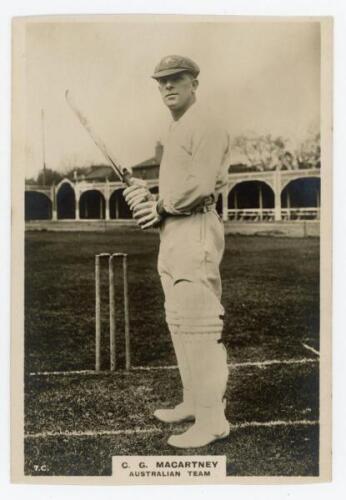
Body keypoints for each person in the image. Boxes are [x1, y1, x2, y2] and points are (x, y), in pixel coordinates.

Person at [124, 55, 231, 448]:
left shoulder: (207, 124)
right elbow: (175, 189)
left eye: (176, 80)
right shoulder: (177, 129)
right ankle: (194, 402)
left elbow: (200, 185)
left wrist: (159, 206)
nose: (168, 87)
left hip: (196, 230)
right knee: (179, 321)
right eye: (162, 82)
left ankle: (213, 419)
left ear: (194, 84)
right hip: (172, 234)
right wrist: (146, 193)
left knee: (200, 325)